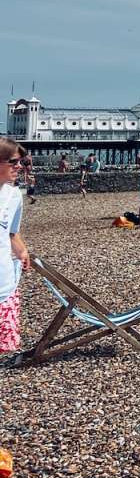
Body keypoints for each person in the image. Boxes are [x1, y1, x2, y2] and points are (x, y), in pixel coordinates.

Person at [0, 138, 32, 355]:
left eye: (21, 162)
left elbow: (11, 231)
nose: (19, 167)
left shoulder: (13, 196)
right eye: (13, 162)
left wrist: (22, 251)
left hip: (3, 284)